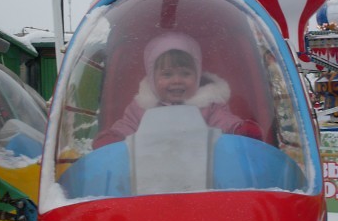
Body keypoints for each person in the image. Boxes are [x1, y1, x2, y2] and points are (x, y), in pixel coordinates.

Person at [93, 32, 262, 148]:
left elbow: (224, 122)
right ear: (152, 78)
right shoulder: (141, 108)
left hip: (201, 172)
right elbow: (127, 126)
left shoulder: (209, 105)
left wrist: (238, 129)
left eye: (185, 73)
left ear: (197, 75)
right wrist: (115, 138)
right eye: (167, 74)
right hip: (152, 171)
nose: (176, 80)